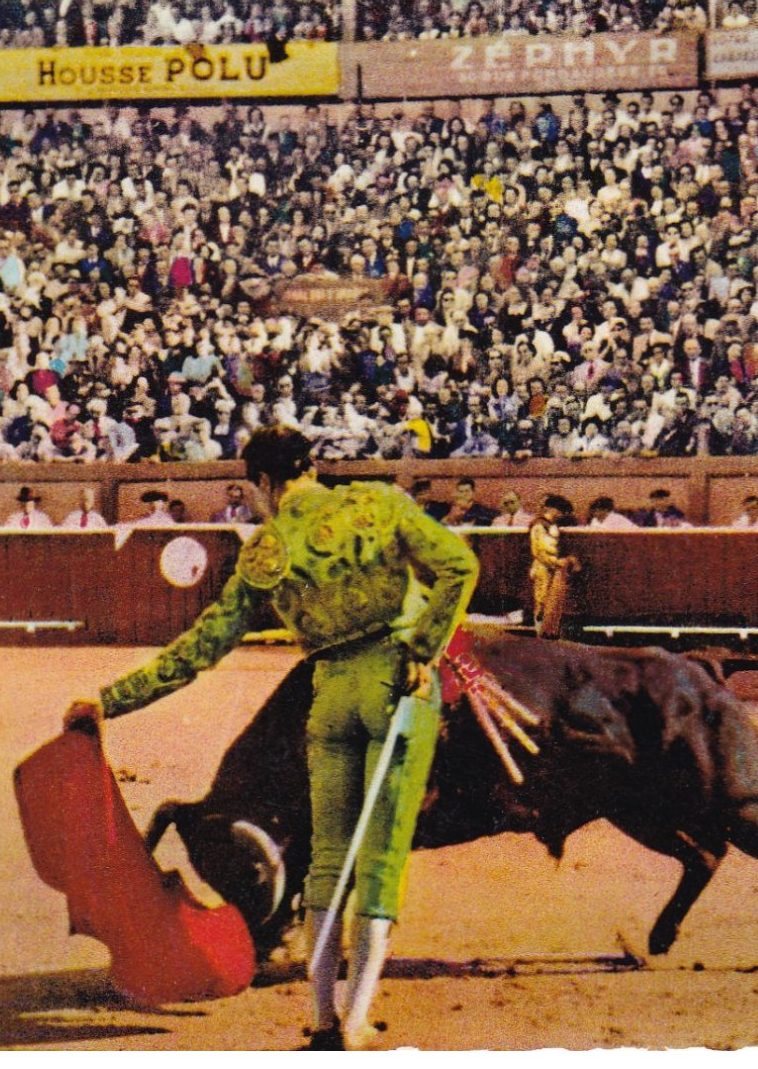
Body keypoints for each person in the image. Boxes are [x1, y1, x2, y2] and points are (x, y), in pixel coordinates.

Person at [67, 425, 478, 1050]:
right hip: (397, 684)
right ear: (312, 466)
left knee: (328, 856)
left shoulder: (268, 549)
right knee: (382, 856)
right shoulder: (381, 503)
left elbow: (203, 648)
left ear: (263, 481)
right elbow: (460, 566)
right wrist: (423, 648)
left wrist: (108, 702)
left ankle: (319, 1018)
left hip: (329, 694)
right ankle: (358, 1018)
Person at [530, 494, 580, 638]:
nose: (560, 515)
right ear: (552, 509)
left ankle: (545, 633)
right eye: (560, 511)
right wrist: (560, 562)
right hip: (543, 568)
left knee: (547, 603)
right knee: (542, 602)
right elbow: (541, 553)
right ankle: (541, 635)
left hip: (549, 568)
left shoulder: (548, 525)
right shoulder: (540, 525)